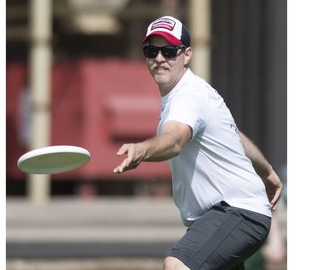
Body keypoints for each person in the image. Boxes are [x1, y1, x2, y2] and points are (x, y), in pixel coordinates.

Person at [113, 15, 283, 270]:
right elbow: (234, 136)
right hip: (230, 216)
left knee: (177, 264)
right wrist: (268, 172)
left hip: (237, 213)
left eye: (169, 51)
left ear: (187, 54)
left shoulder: (188, 96)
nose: (159, 58)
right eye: (152, 50)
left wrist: (141, 150)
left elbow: (175, 140)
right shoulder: (195, 93)